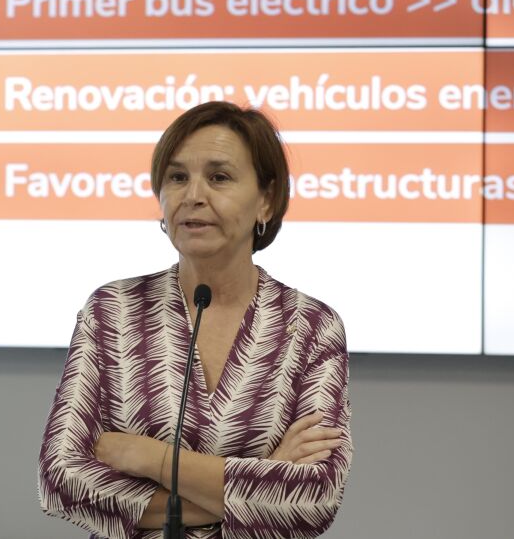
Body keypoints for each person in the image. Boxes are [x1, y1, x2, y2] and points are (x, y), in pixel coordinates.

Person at [37, 102, 352, 538]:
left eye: (219, 177)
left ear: (266, 199)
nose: (192, 195)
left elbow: (314, 498)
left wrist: (151, 459)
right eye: (177, 177)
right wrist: (263, 478)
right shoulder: (113, 311)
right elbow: (61, 481)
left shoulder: (311, 326)